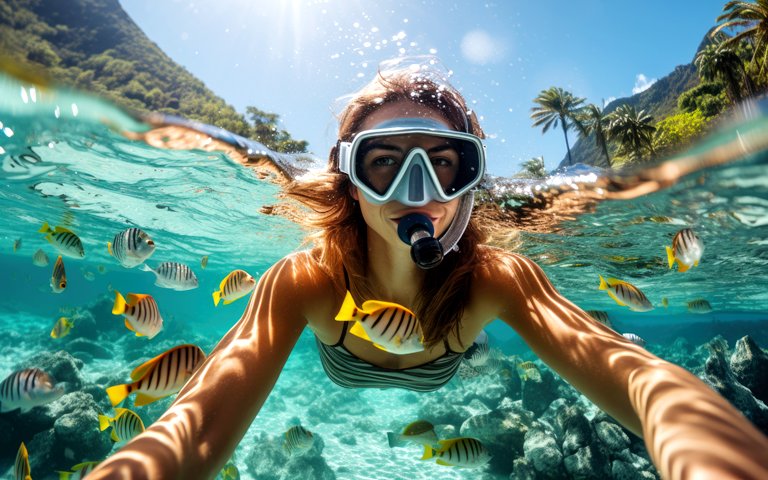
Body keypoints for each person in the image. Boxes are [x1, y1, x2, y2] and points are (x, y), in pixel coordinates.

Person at [88, 59, 768, 479]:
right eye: (384, 162)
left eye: (443, 164)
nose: (417, 190)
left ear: (470, 181)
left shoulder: (495, 280)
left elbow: (639, 376)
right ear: (350, 181)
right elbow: (195, 427)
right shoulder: (307, 280)